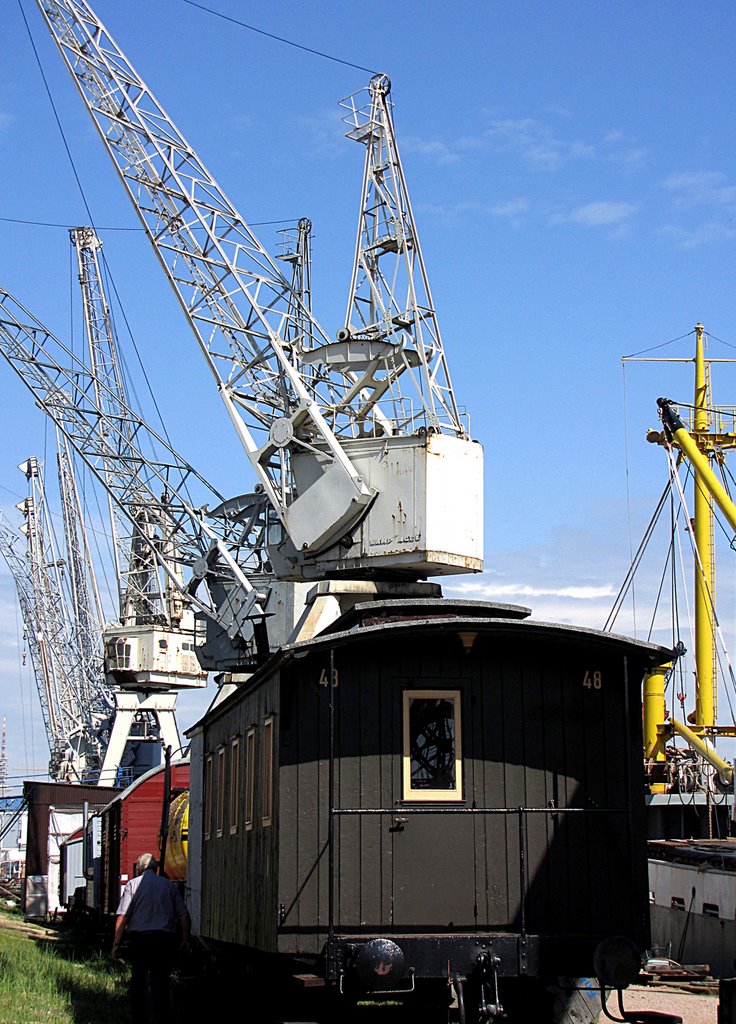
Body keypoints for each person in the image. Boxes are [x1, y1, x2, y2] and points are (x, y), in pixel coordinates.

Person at [112, 852, 191, 1024]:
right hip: (164, 940)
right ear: (155, 868)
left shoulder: (133, 885)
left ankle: (140, 1018)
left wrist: (116, 944)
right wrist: (185, 939)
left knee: (138, 981)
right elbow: (183, 915)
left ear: (139, 868)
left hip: (140, 940)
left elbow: (122, 917)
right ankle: (162, 1017)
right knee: (161, 981)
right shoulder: (168, 886)